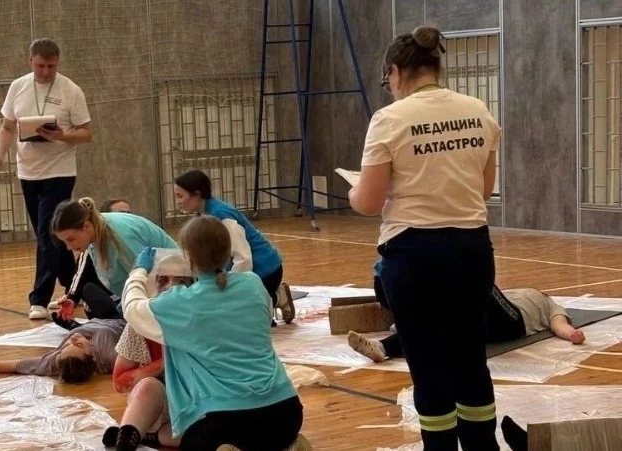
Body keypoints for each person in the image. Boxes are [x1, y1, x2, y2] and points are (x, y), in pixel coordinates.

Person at [348, 26, 502, 450]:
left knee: (429, 365)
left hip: (415, 256)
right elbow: (483, 190)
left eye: (388, 80)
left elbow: (369, 202)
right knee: (471, 359)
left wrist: (354, 189)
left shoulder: (389, 119)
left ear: (396, 72)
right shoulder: (478, 111)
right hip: (472, 251)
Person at [120, 215, 310, 451]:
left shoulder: (181, 303)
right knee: (260, 436)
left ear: (188, 257)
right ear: (228, 252)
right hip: (287, 413)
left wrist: (138, 271)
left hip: (228, 419)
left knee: (192, 440)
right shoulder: (253, 284)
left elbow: (132, 308)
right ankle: (287, 446)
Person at [0, 38, 93, 320]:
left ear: (58, 63)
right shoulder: (18, 87)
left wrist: (62, 135)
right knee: (51, 236)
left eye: (51, 66)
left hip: (59, 171)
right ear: (30, 62)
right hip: (28, 171)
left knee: (48, 234)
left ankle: (39, 298)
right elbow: (7, 126)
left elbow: (86, 133)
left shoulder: (71, 90)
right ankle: (76, 287)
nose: (45, 71)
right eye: (40, 66)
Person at [173, 169, 295, 325]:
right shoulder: (203, 214)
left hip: (266, 270)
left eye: (180, 196)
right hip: (246, 270)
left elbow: (244, 258)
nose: (178, 201)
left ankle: (278, 297)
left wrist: (232, 290)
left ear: (197, 194)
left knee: (243, 319)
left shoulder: (222, 216)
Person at [348, 283, 586, 363]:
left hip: (513, 323)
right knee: (438, 326)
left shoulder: (549, 303)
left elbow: (558, 323)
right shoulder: (518, 293)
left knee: (480, 281)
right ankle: (382, 347)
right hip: (486, 324)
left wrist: (572, 334)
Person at [102, 252, 194, 450]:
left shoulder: (204, 319)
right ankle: (126, 440)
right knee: (147, 386)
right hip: (158, 405)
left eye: (180, 281)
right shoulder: (140, 323)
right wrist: (163, 363)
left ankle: (146, 436)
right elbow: (120, 382)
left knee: (211, 436)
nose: (170, 287)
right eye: (163, 280)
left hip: (197, 405)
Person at [49, 197, 177, 319]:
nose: (69, 247)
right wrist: (72, 298)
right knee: (90, 293)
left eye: (71, 239)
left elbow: (146, 281)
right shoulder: (94, 235)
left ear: (86, 226)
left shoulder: (120, 236)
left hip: (171, 290)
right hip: (142, 295)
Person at [0, 306, 125, 384]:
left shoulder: (55, 361)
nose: (73, 339)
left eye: (66, 346)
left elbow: (14, 365)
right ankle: (73, 324)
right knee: (90, 290)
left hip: (93, 322)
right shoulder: (110, 355)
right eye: (79, 345)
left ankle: (73, 325)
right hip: (116, 318)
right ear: (92, 355)